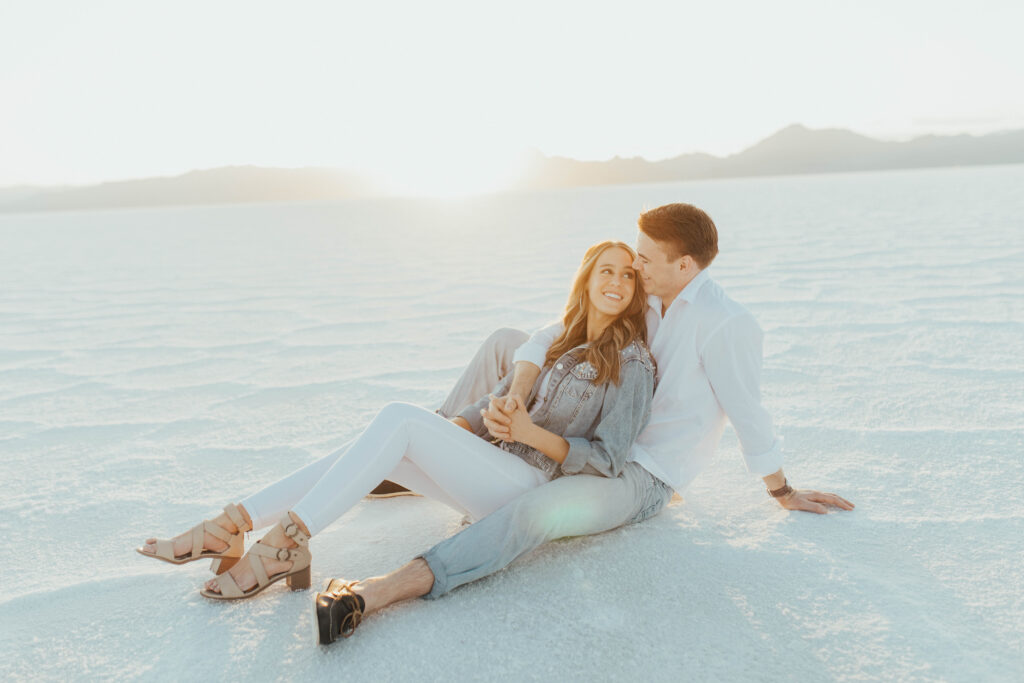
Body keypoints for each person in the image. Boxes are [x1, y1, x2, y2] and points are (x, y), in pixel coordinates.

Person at [311, 202, 854, 645]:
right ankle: (429, 447)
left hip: (638, 472)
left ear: (685, 266)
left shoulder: (727, 324)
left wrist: (780, 488)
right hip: (598, 428)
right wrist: (521, 385)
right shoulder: (650, 299)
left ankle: (381, 590)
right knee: (508, 343)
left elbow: (748, 411)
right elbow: (558, 327)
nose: (635, 267)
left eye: (645, 258)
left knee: (539, 512)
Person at [137, 241, 657, 602]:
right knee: (377, 445)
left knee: (399, 420)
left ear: (635, 290)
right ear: (587, 278)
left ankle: (284, 543)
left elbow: (608, 460)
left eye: (628, 275)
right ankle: (235, 524)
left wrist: (528, 434)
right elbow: (489, 406)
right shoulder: (559, 341)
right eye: (607, 270)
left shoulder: (632, 363)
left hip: (530, 488)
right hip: (492, 471)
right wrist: (483, 421)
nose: (616, 281)